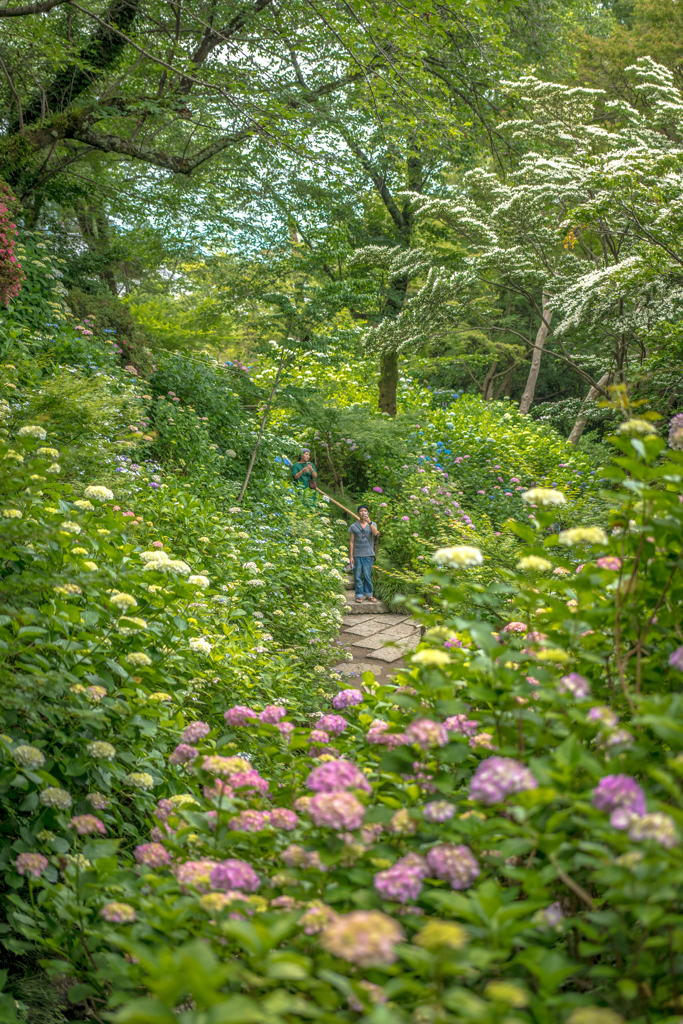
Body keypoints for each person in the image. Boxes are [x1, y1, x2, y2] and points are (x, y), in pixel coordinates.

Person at [348, 504, 379, 603]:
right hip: (357, 554)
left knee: (367, 575)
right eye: (361, 511)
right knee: (357, 576)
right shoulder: (353, 526)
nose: (363, 512)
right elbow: (351, 542)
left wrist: (369, 522)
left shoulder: (372, 524)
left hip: (368, 554)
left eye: (365, 511)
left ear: (368, 513)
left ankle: (369, 595)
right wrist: (351, 556)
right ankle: (359, 595)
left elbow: (375, 534)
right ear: (358, 513)